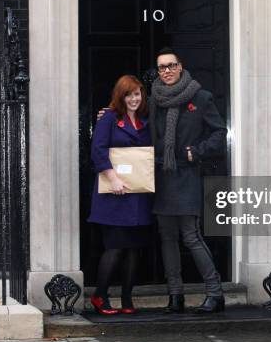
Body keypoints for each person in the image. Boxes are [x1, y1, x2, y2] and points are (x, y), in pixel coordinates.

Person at [150, 47, 227, 314]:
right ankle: (175, 295)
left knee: (191, 236)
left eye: (171, 66)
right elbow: (135, 121)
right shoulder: (154, 100)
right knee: (167, 238)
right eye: (162, 67)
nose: (167, 71)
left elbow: (219, 133)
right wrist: (108, 115)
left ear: (180, 67)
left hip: (187, 174)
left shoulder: (200, 97)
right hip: (161, 176)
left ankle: (215, 294)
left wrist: (197, 151)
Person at [87, 75, 153, 315]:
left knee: (133, 248)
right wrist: (113, 178)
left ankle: (127, 299)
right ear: (120, 96)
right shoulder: (109, 119)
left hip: (137, 194)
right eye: (129, 94)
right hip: (112, 194)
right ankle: (100, 296)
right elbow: (98, 150)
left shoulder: (146, 120)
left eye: (137, 94)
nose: (134, 99)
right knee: (114, 247)